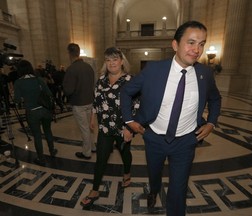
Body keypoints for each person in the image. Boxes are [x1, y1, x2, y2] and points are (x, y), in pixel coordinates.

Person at [120, 20, 221, 216]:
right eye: (191, 42)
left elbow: (216, 99)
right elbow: (126, 92)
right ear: (175, 45)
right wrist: (129, 120)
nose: (197, 49)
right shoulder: (153, 70)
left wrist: (211, 122)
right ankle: (154, 190)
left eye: (201, 44)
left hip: (185, 142)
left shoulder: (205, 74)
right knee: (154, 174)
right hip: (154, 138)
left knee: (178, 189)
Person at [80, 47, 138, 207]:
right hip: (105, 128)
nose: (112, 63)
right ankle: (95, 189)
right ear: (105, 63)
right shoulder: (101, 81)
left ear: (121, 61)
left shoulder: (130, 80)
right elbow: (96, 101)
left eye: (115, 59)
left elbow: (137, 105)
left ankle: (127, 173)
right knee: (100, 159)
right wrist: (93, 117)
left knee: (125, 153)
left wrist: (130, 128)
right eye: (108, 60)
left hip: (123, 127)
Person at [14, 60, 57, 166]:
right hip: (45, 110)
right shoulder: (39, 79)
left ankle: (41, 159)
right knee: (48, 131)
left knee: (37, 135)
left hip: (32, 112)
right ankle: (52, 151)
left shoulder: (18, 82)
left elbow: (17, 100)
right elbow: (49, 93)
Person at [63, 43, 96, 159]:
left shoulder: (71, 69)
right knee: (90, 127)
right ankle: (93, 147)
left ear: (69, 53)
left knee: (84, 129)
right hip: (90, 101)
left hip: (79, 103)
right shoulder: (89, 67)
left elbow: (68, 90)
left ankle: (86, 153)